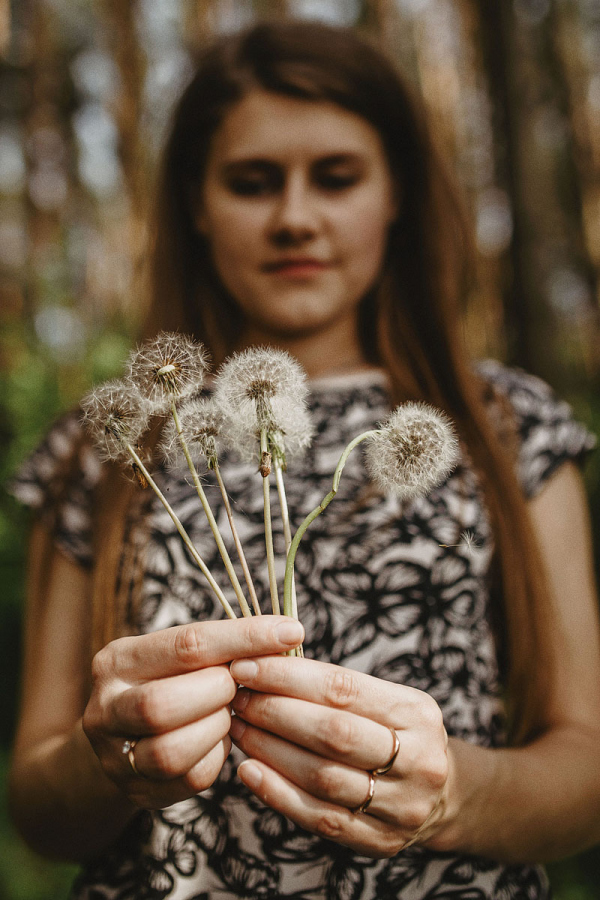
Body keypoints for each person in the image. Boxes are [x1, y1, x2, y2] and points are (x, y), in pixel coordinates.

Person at [8, 19, 600, 900]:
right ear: (197, 205)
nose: (295, 217)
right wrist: (115, 763)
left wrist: (448, 797)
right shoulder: (106, 451)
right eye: (252, 183)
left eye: (336, 177)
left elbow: (585, 769)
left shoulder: (510, 427)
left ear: (395, 190)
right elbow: (37, 804)